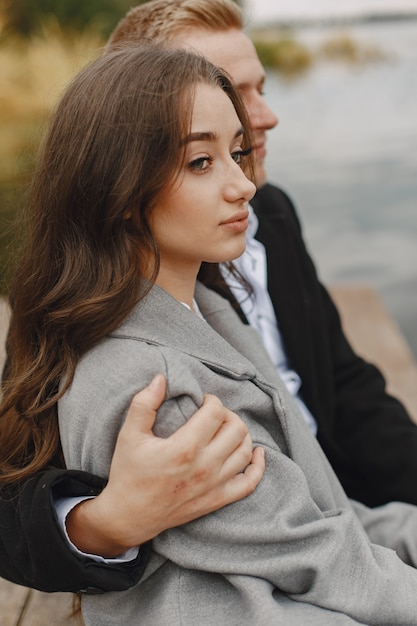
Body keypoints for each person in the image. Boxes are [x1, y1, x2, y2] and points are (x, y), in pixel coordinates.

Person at [1, 0, 417, 595]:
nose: (263, 119)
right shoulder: (114, 336)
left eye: (257, 90)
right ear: (121, 150)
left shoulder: (267, 219)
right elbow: (15, 475)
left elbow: (349, 391)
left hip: (329, 506)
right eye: (201, 152)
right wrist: (105, 522)